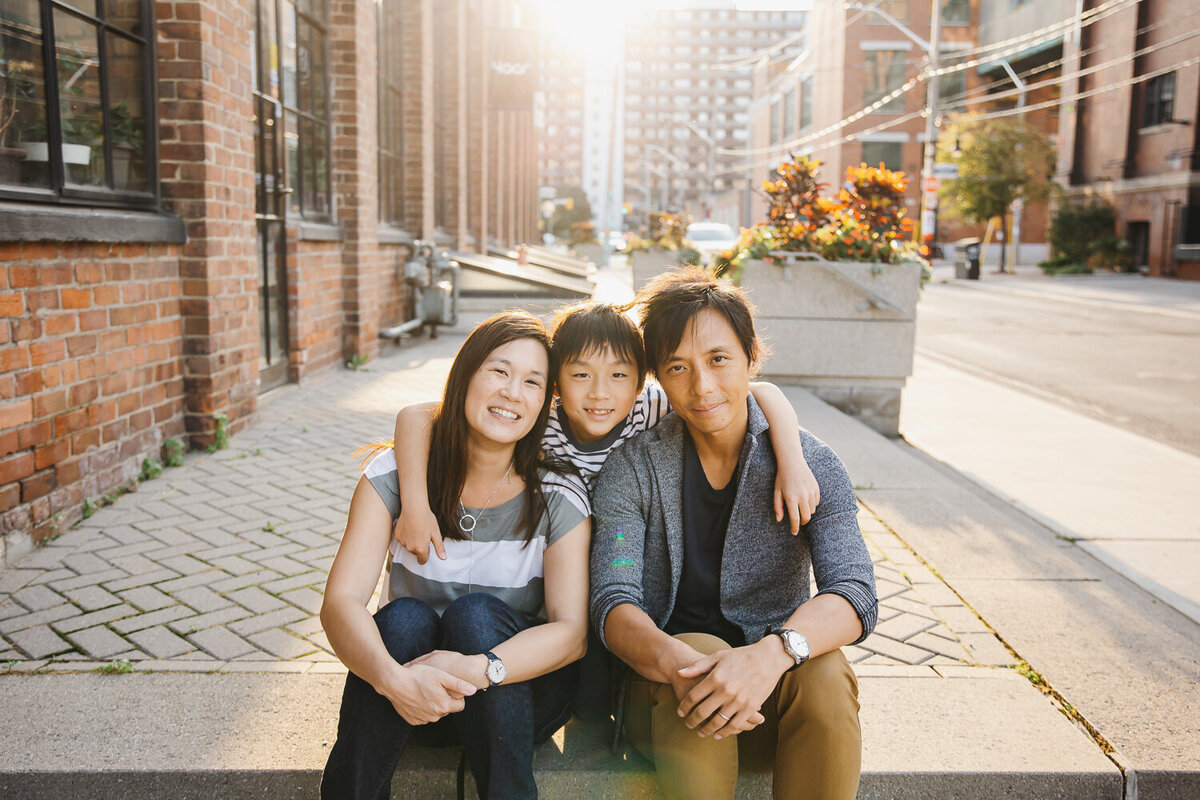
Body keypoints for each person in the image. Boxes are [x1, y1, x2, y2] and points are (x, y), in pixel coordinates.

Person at [589, 268, 879, 800]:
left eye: (719, 360)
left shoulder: (809, 464)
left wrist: (771, 656)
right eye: (678, 368)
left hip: (775, 698)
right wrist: (690, 668)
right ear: (658, 375)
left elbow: (853, 594)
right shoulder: (631, 469)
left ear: (750, 357)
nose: (702, 387)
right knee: (697, 651)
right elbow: (615, 600)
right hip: (665, 703)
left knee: (825, 672)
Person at [319, 311, 592, 800]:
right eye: (499, 371)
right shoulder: (397, 476)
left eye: (532, 381)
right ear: (465, 374)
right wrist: (393, 681)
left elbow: (571, 635)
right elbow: (339, 603)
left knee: (476, 614)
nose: (513, 392)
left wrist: (479, 667)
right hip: (408, 698)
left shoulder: (558, 493)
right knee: (402, 619)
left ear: (546, 403)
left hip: (517, 695)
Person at [390, 301, 822, 566]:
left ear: (639, 382)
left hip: (625, 554)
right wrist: (415, 504)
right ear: (556, 382)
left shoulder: (648, 404)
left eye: (618, 374)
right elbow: (416, 416)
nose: (600, 394)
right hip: (553, 559)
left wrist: (793, 461)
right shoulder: (541, 416)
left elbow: (760, 391)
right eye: (581, 374)